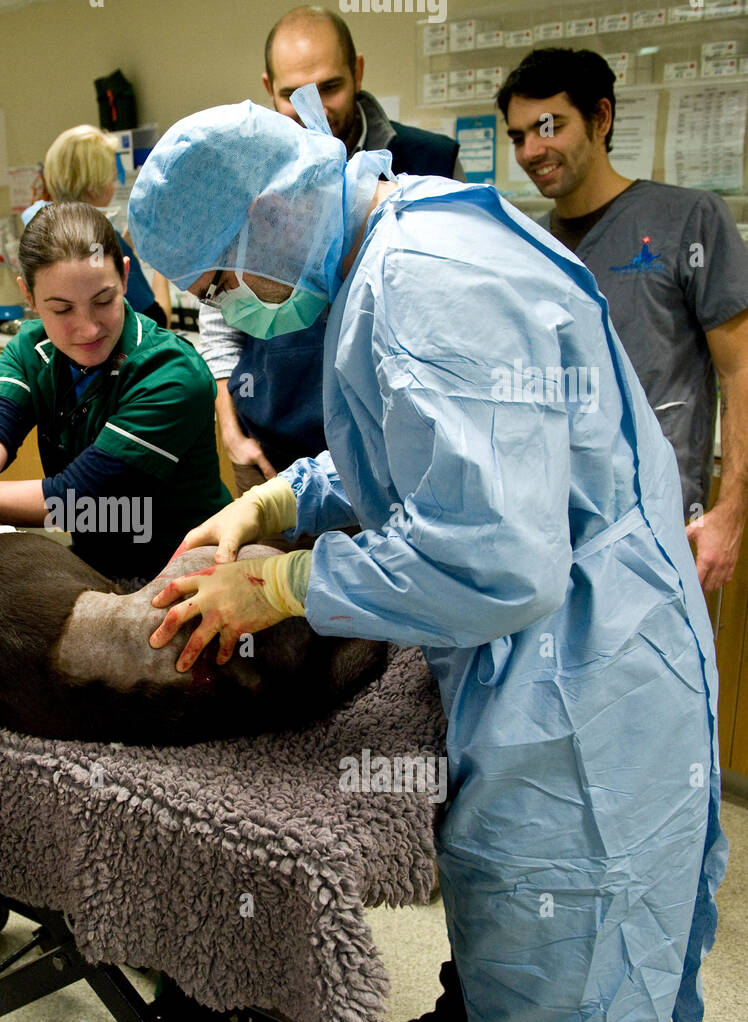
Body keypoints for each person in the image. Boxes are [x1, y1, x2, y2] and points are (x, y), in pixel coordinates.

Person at [127, 88, 728, 1022]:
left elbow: (492, 557)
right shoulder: (406, 233)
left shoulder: (422, 283)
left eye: (218, 285)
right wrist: (279, 498)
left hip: (578, 692)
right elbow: (419, 446)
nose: (228, 310)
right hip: (596, 644)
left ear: (273, 217)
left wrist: (286, 585)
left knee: (578, 1000)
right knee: (619, 980)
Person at [0, 201, 231, 581]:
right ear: (29, 297)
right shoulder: (32, 350)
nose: (87, 329)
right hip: (98, 564)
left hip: (186, 568)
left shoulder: (170, 373)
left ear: (124, 276)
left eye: (103, 301)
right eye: (62, 310)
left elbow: (75, 500)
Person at [499, 48, 748, 592]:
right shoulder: (527, 246)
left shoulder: (690, 220)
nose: (532, 150)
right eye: (518, 136)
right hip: (554, 539)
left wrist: (732, 513)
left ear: (601, 118)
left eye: (548, 126)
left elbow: (740, 371)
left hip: (664, 533)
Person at [202, 5, 465, 514]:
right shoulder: (249, 179)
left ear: (359, 72)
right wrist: (228, 422)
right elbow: (220, 309)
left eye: (329, 87)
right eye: (291, 94)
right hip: (271, 447)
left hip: (394, 450)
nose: (310, 108)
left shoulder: (432, 163)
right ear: (267, 86)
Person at [42, 124, 171, 326]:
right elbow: (157, 323)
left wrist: (128, 240)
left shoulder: (43, 229)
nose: (113, 185)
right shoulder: (102, 241)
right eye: (112, 178)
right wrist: (160, 262)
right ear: (94, 188)